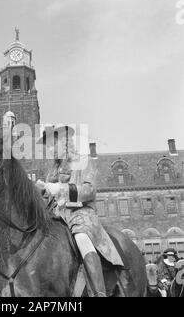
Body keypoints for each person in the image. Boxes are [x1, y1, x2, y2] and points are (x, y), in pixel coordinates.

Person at [36, 125, 124, 297]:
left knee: (81, 237)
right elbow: (47, 201)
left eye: (53, 144)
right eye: (48, 147)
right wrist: (39, 192)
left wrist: (60, 189)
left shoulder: (82, 161)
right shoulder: (52, 172)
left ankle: (99, 292)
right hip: (57, 218)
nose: (50, 149)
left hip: (81, 214)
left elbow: (89, 190)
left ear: (64, 142)